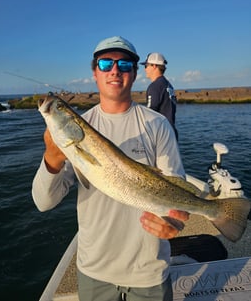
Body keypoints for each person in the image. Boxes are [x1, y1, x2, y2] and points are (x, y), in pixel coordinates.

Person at [32, 36, 188, 301]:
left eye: (125, 64)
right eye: (105, 63)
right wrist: (52, 157)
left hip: (149, 271)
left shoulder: (158, 124)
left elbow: (176, 189)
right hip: (95, 271)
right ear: (95, 72)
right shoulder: (79, 129)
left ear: (135, 73)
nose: (115, 70)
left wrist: (174, 223)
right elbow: (43, 202)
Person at [140, 53, 178, 139]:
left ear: (154, 66)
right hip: (172, 133)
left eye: (146, 66)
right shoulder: (168, 85)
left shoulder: (155, 87)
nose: (145, 69)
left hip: (161, 136)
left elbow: (149, 115)